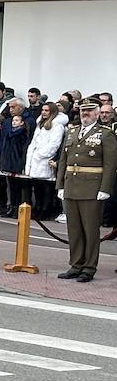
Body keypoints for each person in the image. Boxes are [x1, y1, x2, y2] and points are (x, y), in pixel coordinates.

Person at [56, 99, 117, 282]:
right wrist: (60, 184)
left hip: (92, 187)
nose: (85, 114)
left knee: (90, 230)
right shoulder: (72, 131)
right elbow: (63, 160)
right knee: (73, 229)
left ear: (98, 113)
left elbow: (110, 163)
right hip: (71, 185)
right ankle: (76, 265)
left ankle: (89, 268)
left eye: (90, 111)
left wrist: (105, 188)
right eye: (83, 110)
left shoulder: (105, 134)